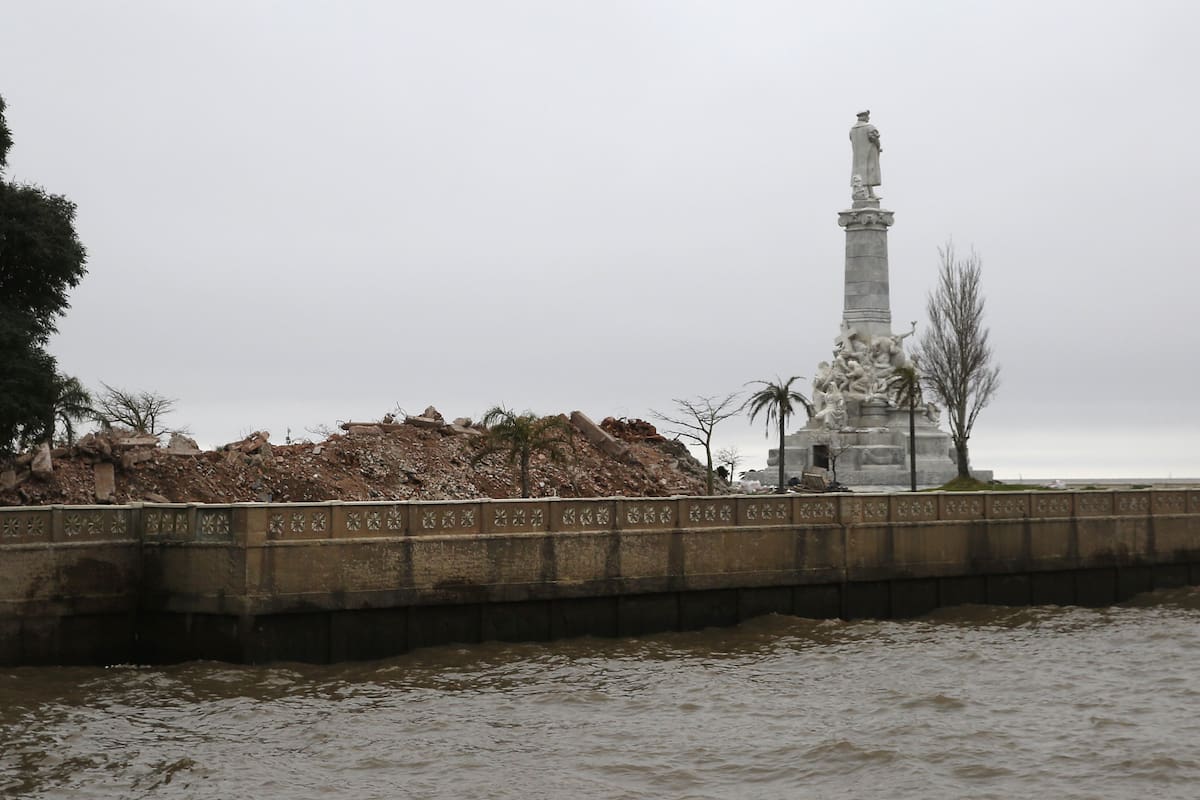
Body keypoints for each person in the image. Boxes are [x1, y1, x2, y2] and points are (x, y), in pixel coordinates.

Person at [850, 110, 882, 198]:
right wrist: (878, 147)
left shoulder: (852, 130)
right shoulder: (869, 127)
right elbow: (875, 139)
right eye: (867, 116)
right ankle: (870, 193)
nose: (869, 118)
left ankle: (865, 192)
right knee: (869, 172)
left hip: (858, 157)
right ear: (864, 117)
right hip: (869, 153)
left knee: (860, 174)